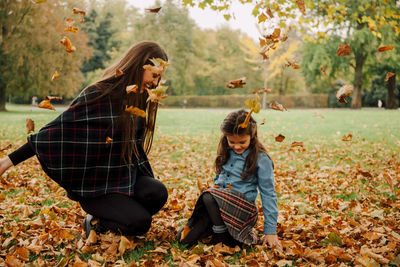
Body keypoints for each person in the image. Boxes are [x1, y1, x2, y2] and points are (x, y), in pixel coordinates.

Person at [0, 41, 169, 238]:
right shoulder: (99, 93)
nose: (156, 83)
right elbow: (52, 134)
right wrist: (7, 162)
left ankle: (118, 213)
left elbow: (133, 148)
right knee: (139, 224)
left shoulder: (139, 99)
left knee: (158, 193)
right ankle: (95, 221)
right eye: (154, 75)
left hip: (121, 179)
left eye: (159, 78)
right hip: (93, 187)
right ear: (139, 65)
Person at [177, 109, 280, 248]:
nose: (237, 146)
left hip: (242, 209)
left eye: (242, 142)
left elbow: (269, 194)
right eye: (232, 141)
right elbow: (219, 179)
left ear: (252, 136)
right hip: (220, 204)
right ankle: (221, 229)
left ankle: (222, 236)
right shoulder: (226, 152)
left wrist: (270, 231)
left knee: (208, 196)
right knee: (184, 237)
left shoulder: (261, 159)